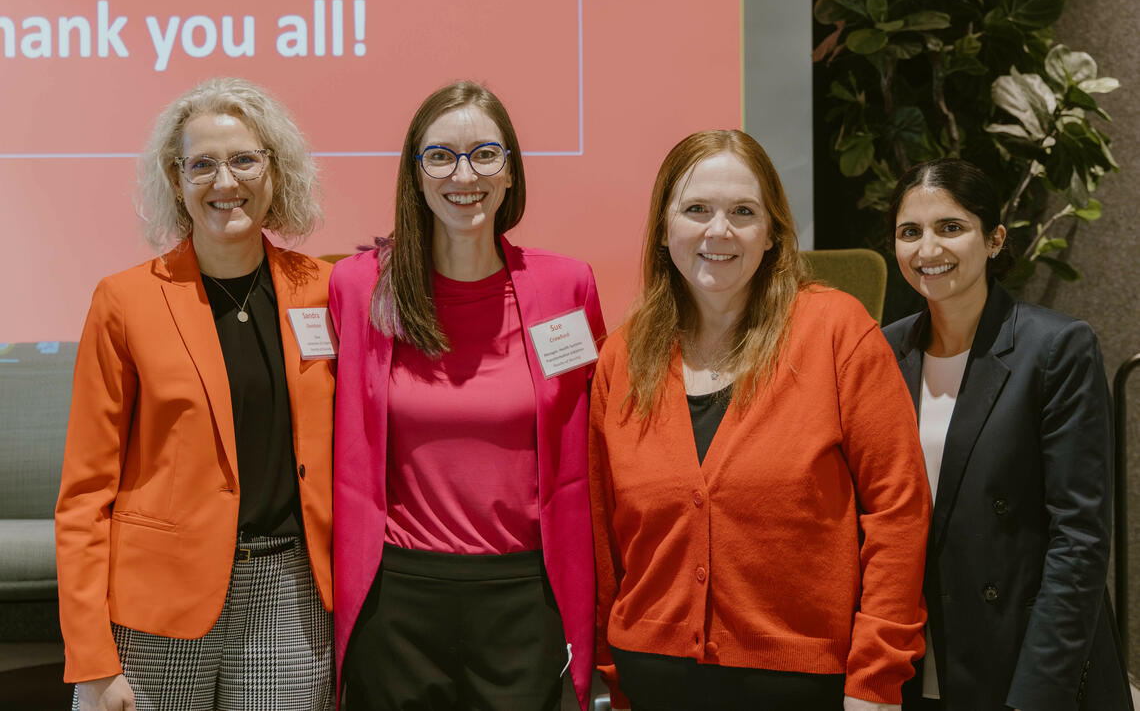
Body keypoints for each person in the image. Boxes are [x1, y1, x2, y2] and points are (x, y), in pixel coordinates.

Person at [589, 129, 931, 711]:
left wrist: (876, 679)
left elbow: (898, 511)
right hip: (651, 683)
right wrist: (606, 673)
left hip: (804, 686)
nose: (717, 231)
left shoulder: (836, 332)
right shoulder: (622, 357)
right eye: (696, 210)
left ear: (771, 232)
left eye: (742, 212)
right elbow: (602, 536)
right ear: (664, 228)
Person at [55, 77, 335, 711]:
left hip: (288, 595)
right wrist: (94, 662)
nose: (224, 181)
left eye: (243, 159)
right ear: (176, 181)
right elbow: (83, 495)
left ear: (275, 171)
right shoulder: (123, 301)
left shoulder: (326, 290)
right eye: (201, 164)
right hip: (156, 599)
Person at [329, 80, 605, 710]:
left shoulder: (567, 287)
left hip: (525, 596)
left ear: (510, 173)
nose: (464, 174)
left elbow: (594, 436)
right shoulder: (357, 287)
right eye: (441, 157)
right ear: (416, 175)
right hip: (395, 596)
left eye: (485, 154)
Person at [882, 158, 1133, 711]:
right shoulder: (882, 350)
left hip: (1024, 660)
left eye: (951, 227)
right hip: (912, 653)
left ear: (994, 239)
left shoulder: (1055, 348)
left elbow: (1081, 538)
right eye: (910, 232)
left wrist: (1037, 694)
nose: (928, 249)